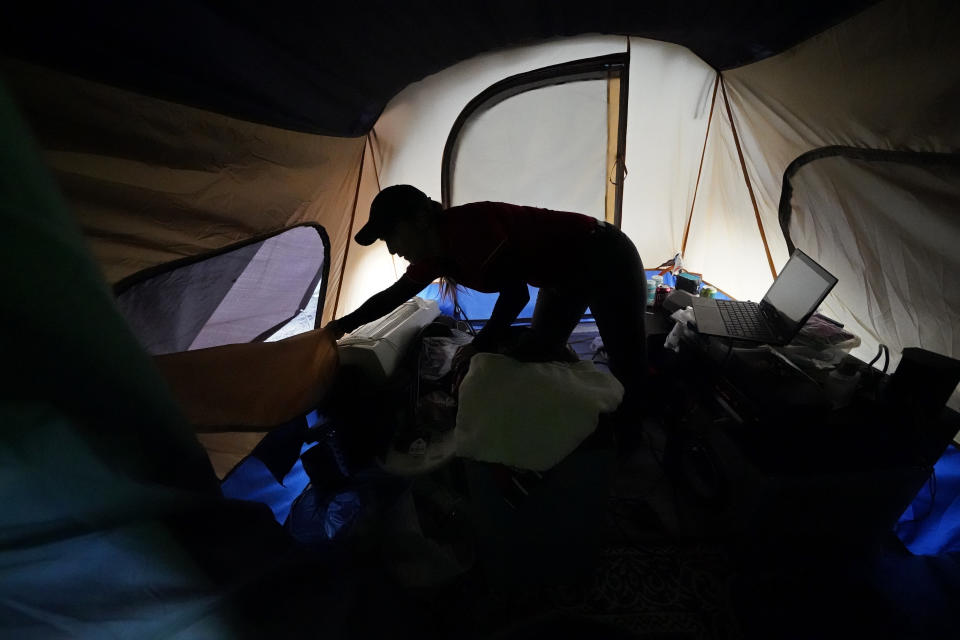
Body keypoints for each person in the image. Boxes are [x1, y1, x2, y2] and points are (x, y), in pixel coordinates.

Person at [325, 185, 647, 414]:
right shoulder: (433, 255)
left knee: (628, 361)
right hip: (561, 276)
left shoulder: (469, 229)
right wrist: (340, 326)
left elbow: (515, 294)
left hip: (605, 254)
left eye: (391, 236)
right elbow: (392, 296)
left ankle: (627, 446)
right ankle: (583, 408)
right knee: (536, 350)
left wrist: (480, 345)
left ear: (421, 221)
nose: (393, 249)